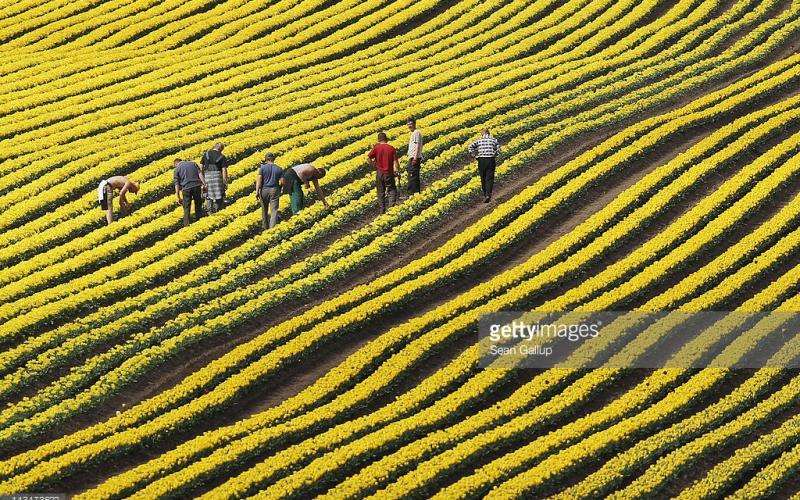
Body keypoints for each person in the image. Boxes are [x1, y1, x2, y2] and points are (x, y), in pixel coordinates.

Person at [366, 132, 400, 215]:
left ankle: (382, 210)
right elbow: (396, 162)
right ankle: (391, 208)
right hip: (389, 173)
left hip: (379, 173)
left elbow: (367, 158)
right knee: (392, 190)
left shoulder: (376, 148)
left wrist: (374, 165)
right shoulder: (391, 148)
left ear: (378, 140)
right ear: (386, 139)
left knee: (380, 192)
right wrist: (398, 171)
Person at [468, 128, 501, 203]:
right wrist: (494, 154)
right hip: (490, 160)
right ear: (488, 133)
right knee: (489, 178)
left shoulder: (479, 140)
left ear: (482, 133)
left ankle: (485, 194)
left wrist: (474, 155)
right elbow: (498, 150)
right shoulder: (493, 140)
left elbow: (470, 146)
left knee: (483, 177)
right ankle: (488, 195)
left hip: (481, 160)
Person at [174, 158, 206, 226]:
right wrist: (204, 184)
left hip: (186, 188)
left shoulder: (177, 169)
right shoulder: (193, 163)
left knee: (186, 207)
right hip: (196, 185)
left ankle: (186, 223)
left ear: (176, 164)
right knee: (198, 203)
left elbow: (176, 184)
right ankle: (199, 220)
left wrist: (178, 196)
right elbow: (200, 174)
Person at [256, 152, 283, 229]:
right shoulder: (279, 168)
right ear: (273, 159)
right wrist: (280, 188)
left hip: (264, 189)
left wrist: (257, 191)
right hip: (274, 189)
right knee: (274, 210)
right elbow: (282, 181)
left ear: (266, 159)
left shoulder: (262, 168)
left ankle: (264, 226)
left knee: (264, 209)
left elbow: (259, 179)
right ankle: (272, 228)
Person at [200, 142, 229, 213]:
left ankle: (209, 211)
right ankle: (217, 210)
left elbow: (201, 166)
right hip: (217, 177)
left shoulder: (206, 154)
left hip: (207, 176)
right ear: (221, 149)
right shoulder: (221, 156)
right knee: (219, 194)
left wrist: (202, 176)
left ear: (214, 146)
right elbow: (224, 170)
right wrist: (225, 181)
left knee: (208, 194)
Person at [406, 117, 423, 195]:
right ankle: (415, 193)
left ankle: (413, 193)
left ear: (414, 124)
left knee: (412, 177)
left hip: (414, 158)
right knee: (413, 176)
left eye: (411, 124)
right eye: (408, 124)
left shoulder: (416, 133)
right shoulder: (414, 133)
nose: (409, 126)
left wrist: (415, 158)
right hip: (412, 157)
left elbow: (417, 145)